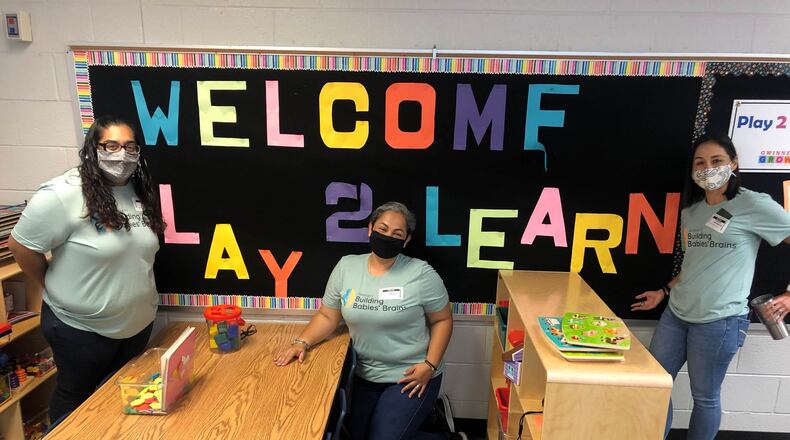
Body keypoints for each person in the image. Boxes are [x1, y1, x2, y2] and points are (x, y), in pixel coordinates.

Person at [632, 133, 790, 440]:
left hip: (719, 322)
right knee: (655, 385)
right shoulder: (691, 212)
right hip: (676, 315)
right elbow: (693, 264)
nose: (708, 168)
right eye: (700, 162)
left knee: (704, 397)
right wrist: (664, 291)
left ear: (733, 164)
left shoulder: (753, 204)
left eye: (716, 161)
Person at [8, 116, 165, 423]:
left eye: (130, 147)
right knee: (75, 403)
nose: (121, 155)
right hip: (81, 330)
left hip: (135, 326)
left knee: (116, 405)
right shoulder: (62, 194)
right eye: (111, 145)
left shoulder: (138, 188)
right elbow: (21, 247)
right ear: (93, 148)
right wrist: (48, 283)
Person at [274, 202, 463, 440]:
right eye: (382, 229)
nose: (387, 236)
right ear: (370, 228)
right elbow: (328, 316)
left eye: (397, 234)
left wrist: (430, 365)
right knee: (354, 435)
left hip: (411, 375)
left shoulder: (421, 274)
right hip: (365, 376)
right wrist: (301, 342)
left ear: (406, 241)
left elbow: (443, 320)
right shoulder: (347, 267)